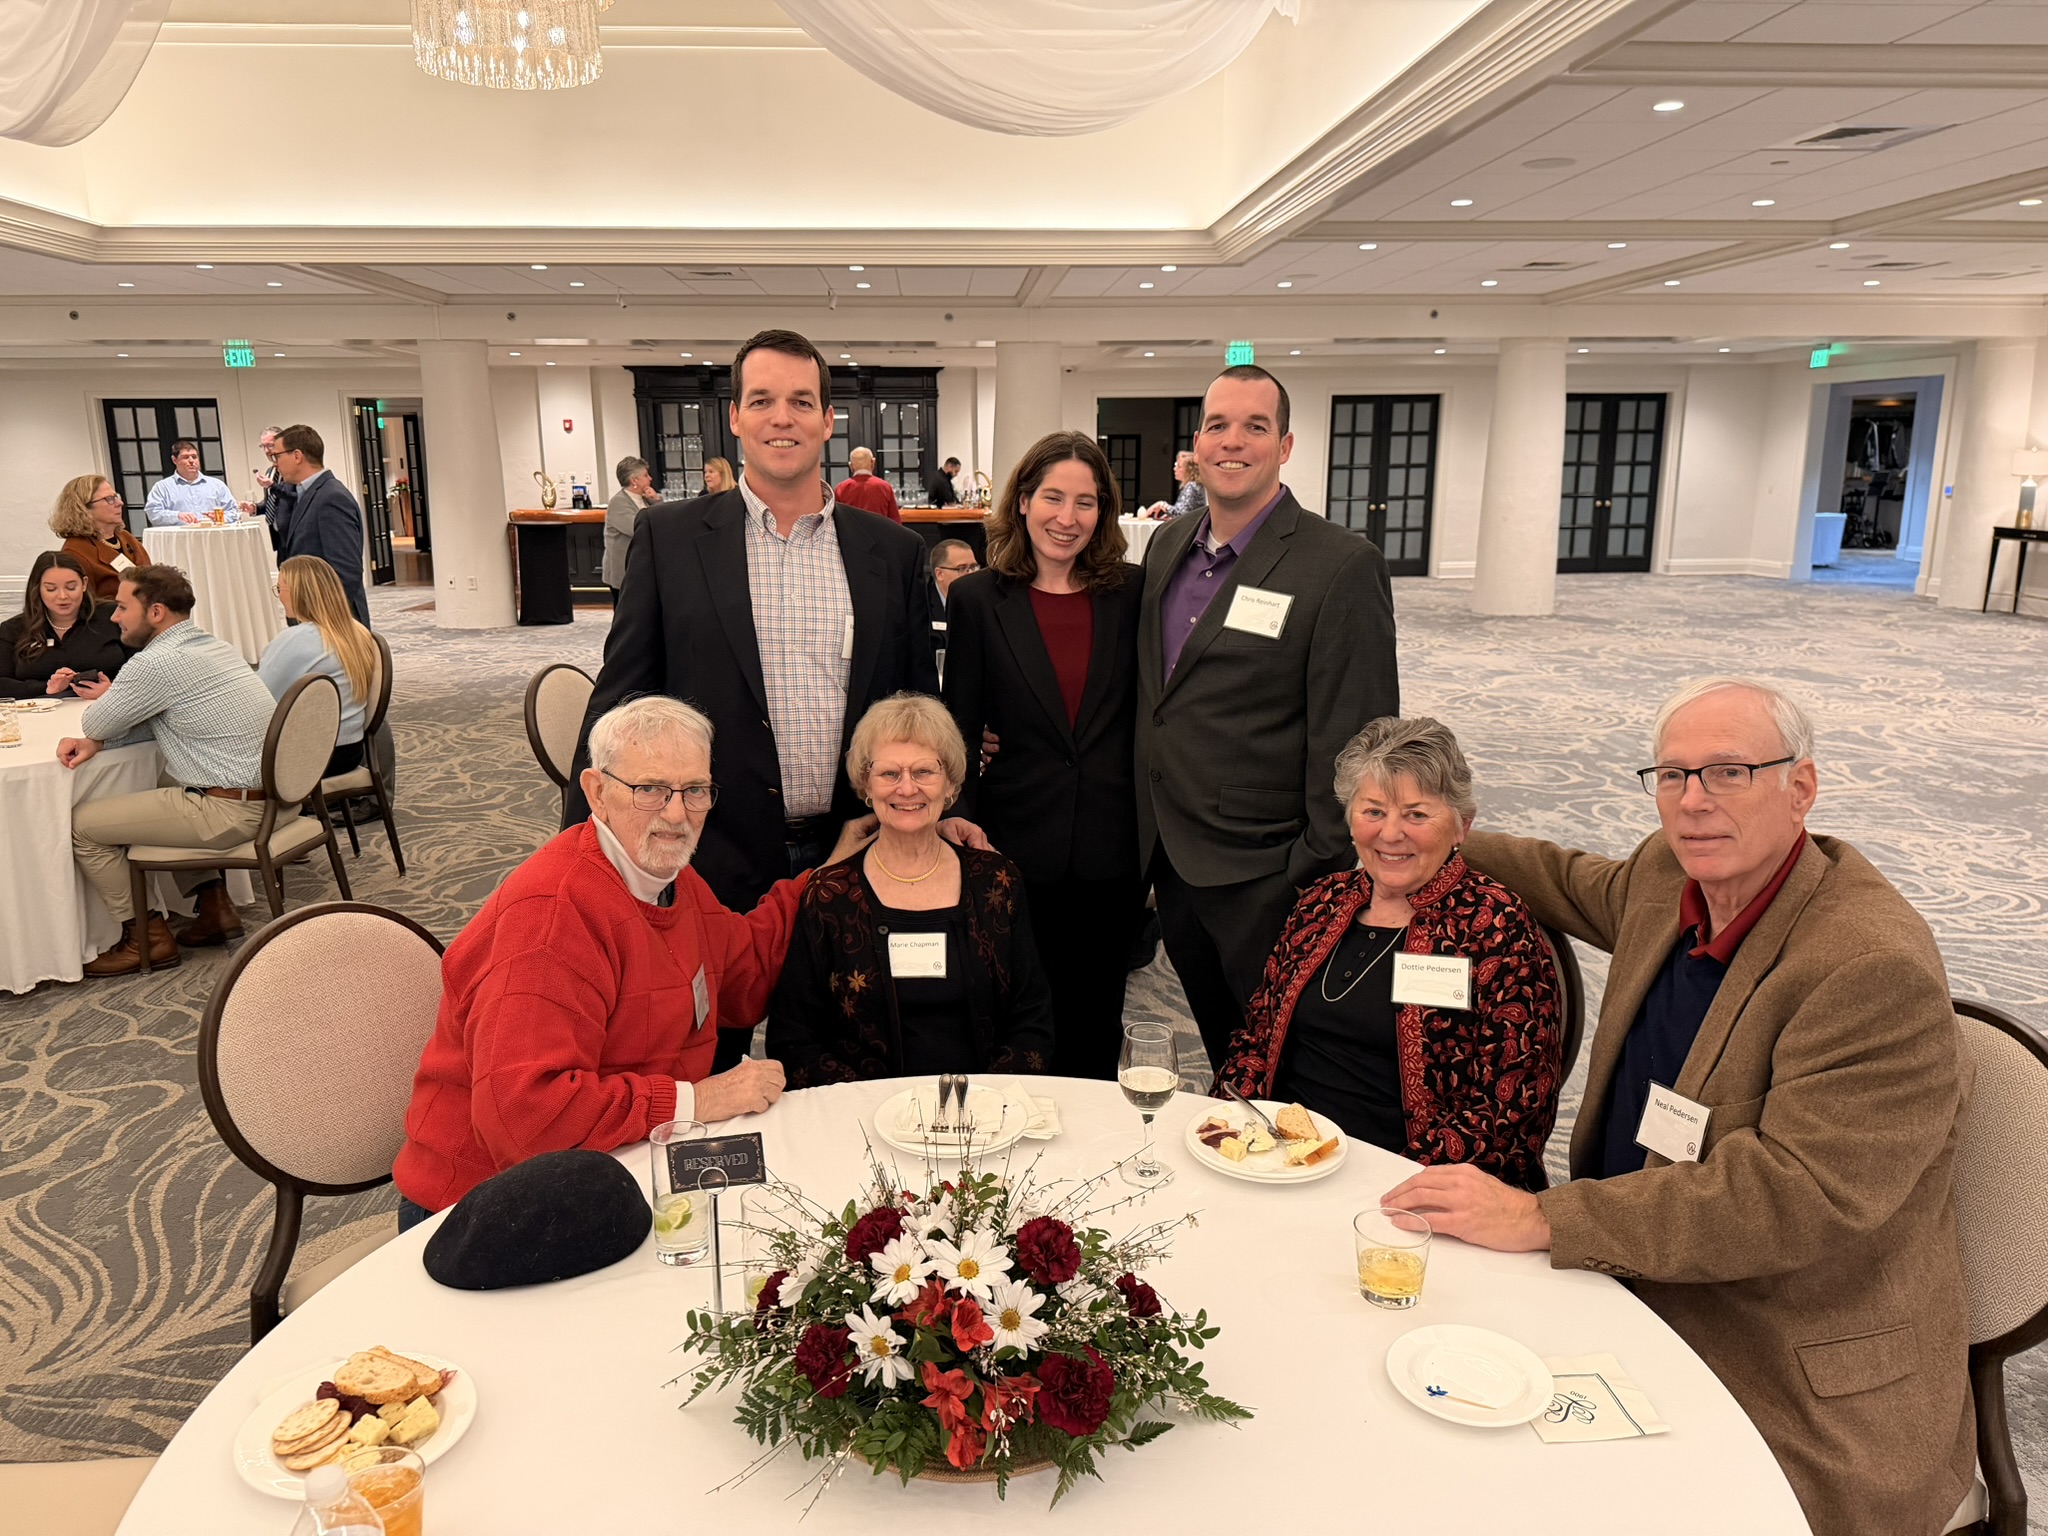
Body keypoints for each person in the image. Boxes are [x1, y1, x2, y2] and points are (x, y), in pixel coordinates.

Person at [1382, 678, 1971, 1536]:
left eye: (1729, 772)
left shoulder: (1869, 968)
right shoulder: (1672, 874)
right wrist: (1425, 837)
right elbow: (1571, 880)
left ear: (1800, 788)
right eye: (1672, 775)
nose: (1693, 802)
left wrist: (1544, 1219)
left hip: (1783, 1348)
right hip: (1634, 1275)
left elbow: (1789, 1198)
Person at [394, 696, 869, 1222]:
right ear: (597, 792)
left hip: (610, 1171)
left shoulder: (670, 881)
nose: (675, 814)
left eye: (695, 791)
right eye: (649, 790)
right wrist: (697, 1101)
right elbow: (524, 1120)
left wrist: (830, 874)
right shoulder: (553, 914)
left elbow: (741, 970)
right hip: (479, 1208)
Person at [1137, 363, 1400, 1073]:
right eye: (1218, 425)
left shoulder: (1340, 564)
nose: (1234, 442)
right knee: (1230, 1054)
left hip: (1269, 877)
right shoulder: (1168, 546)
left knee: (1293, 1064)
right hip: (1174, 864)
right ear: (1195, 444)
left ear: (1284, 446)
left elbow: (1362, 742)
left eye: (1256, 426)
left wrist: (1305, 875)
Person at [1215, 717, 1561, 1185]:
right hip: (1280, 1160)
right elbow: (1255, 1039)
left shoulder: (1495, 926)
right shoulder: (1322, 902)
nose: (1391, 833)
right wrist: (1236, 1133)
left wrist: (1389, 1178)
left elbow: (1514, 1109)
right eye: (1373, 811)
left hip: (1407, 1178)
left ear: (1462, 826)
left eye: (1416, 814)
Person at [943, 432, 1144, 1079]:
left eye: (1086, 502)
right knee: (1015, 1015)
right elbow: (959, 724)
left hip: (1111, 850)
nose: (1067, 517)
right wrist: (958, 817)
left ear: (1103, 512)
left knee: (1096, 1019)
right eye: (1053, 497)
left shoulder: (1134, 594)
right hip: (1011, 845)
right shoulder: (977, 599)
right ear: (1023, 501)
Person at [768, 694, 1054, 1086]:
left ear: (951, 784)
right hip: (864, 1123)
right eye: (889, 773)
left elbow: (1033, 1019)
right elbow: (793, 1039)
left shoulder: (997, 882)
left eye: (924, 772)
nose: (907, 789)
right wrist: (874, 1111)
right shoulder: (829, 895)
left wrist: (988, 1101)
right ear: (866, 785)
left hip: (985, 1118)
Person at [59, 565, 280, 975]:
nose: (114, 617)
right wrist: (106, 737)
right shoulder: (215, 645)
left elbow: (96, 723)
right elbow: (159, 718)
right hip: (276, 799)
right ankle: (216, 908)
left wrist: (100, 735)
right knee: (168, 776)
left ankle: (147, 937)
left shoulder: (156, 663)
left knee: (82, 826)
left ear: (156, 611)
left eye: (123, 607)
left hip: (233, 812)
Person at [260, 555, 373, 781]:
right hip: (350, 749)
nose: (279, 597)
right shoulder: (357, 632)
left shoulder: (298, 640)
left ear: (296, 593)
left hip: (312, 757)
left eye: (279, 589)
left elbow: (260, 698)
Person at [272, 424, 371, 626]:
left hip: (332, 622)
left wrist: (323, 621)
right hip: (310, 616)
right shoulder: (303, 493)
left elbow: (346, 570)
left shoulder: (331, 497)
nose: (275, 464)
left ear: (297, 456)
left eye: (277, 456)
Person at [0, 551, 128, 700]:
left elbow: (146, 666)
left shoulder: (113, 616)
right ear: (37, 589)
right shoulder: (13, 629)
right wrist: (46, 688)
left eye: (71, 587)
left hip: (107, 708)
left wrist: (113, 689)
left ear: (84, 584)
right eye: (51, 589)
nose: (62, 596)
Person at [51, 475, 150, 599]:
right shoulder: (76, 552)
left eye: (116, 497)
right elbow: (86, 605)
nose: (120, 503)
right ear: (83, 508)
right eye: (110, 499)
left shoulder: (125, 537)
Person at [142, 439, 237, 527]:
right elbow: (153, 513)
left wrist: (220, 518)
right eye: (186, 457)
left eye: (194, 457)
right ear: (174, 460)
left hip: (212, 538)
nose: (191, 461)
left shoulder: (217, 485)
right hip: (179, 540)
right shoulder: (162, 487)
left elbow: (233, 512)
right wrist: (177, 515)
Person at [603, 455, 657, 599]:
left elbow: (662, 520)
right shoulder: (618, 503)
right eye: (645, 475)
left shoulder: (645, 499)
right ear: (634, 480)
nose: (650, 478)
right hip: (624, 572)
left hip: (642, 569)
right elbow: (636, 529)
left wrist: (655, 500)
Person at [240, 426, 297, 551]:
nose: (267, 451)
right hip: (278, 538)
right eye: (263, 447)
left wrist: (273, 486)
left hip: (296, 536)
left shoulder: (294, 470)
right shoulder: (271, 471)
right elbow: (271, 503)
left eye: (270, 446)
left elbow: (298, 499)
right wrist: (255, 508)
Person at [834, 446, 902, 522]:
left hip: (851, 533)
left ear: (851, 466)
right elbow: (895, 521)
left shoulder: (841, 488)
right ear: (873, 462)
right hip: (879, 532)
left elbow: (837, 520)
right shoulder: (885, 487)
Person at [1146, 451, 1205, 519]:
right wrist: (1170, 516)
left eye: (1179, 466)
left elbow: (1181, 514)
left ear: (1190, 470)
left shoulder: (1192, 486)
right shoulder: (1193, 485)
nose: (1175, 469)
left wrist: (1162, 505)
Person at [929, 538, 979, 613]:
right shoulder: (921, 604)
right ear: (939, 574)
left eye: (973, 567)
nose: (971, 574)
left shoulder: (983, 599)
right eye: (962, 569)